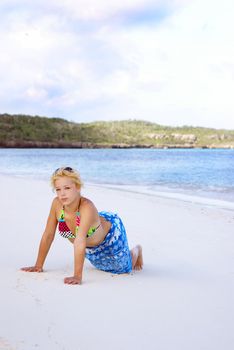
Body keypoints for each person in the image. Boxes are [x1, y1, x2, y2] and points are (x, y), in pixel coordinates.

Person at [21, 167, 143, 285]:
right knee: (100, 266)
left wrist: (77, 276)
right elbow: (48, 235)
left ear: (78, 187)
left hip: (110, 236)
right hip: (89, 246)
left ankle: (136, 250)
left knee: (123, 268)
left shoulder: (87, 206)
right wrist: (38, 265)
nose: (62, 194)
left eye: (67, 188)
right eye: (58, 189)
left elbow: (79, 241)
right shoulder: (56, 204)